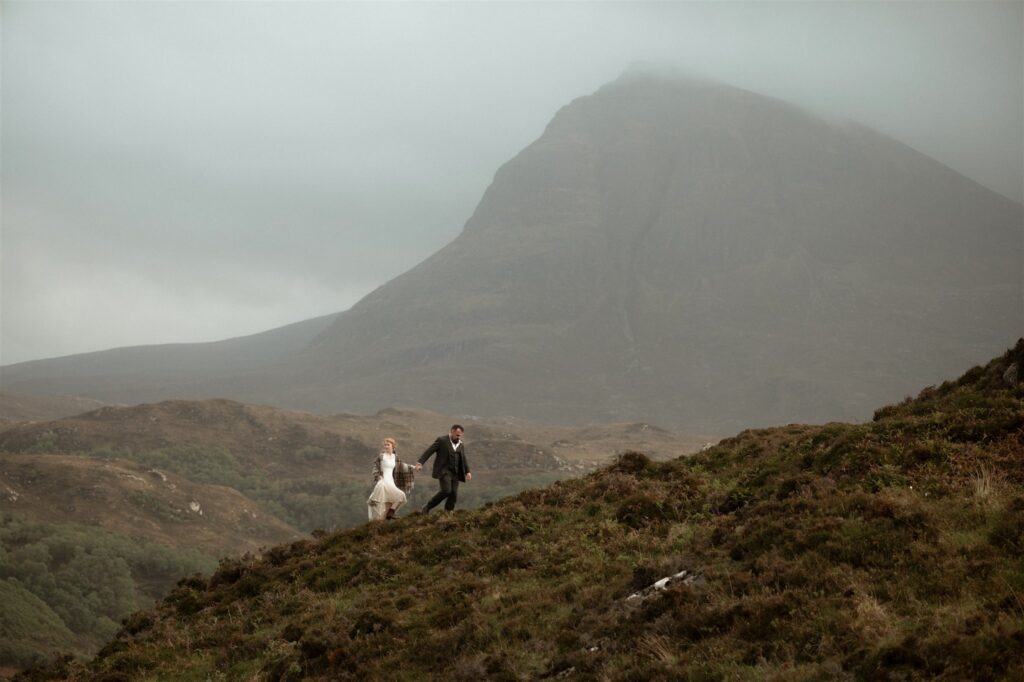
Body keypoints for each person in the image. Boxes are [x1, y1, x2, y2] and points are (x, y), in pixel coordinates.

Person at [415, 424, 471, 513]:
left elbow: (463, 458)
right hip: (444, 471)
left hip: (456, 472)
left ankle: (448, 512)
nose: (458, 437)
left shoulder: (460, 444)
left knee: (454, 493)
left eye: (460, 435)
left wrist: (467, 471)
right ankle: (428, 506)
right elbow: (429, 451)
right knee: (446, 490)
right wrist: (420, 463)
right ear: (452, 431)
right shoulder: (442, 440)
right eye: (457, 435)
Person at [367, 437, 414, 521]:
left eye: (388, 445)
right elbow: (375, 468)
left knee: (398, 497)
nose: (386, 446)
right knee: (383, 504)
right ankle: (380, 522)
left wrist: (414, 467)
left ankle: (390, 514)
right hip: (383, 481)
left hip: (391, 482)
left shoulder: (395, 457)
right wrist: (378, 477)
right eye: (385, 445)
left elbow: (403, 466)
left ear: (393, 446)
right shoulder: (381, 456)